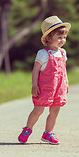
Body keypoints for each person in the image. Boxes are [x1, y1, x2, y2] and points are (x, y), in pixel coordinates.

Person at [18, 16, 71, 145]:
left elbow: (63, 70)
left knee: (55, 110)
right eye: (59, 37)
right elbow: (36, 69)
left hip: (59, 87)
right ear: (48, 38)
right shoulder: (43, 53)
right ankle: (27, 129)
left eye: (64, 37)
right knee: (39, 109)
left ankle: (48, 133)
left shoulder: (63, 53)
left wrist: (67, 83)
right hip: (45, 87)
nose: (62, 40)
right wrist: (34, 85)